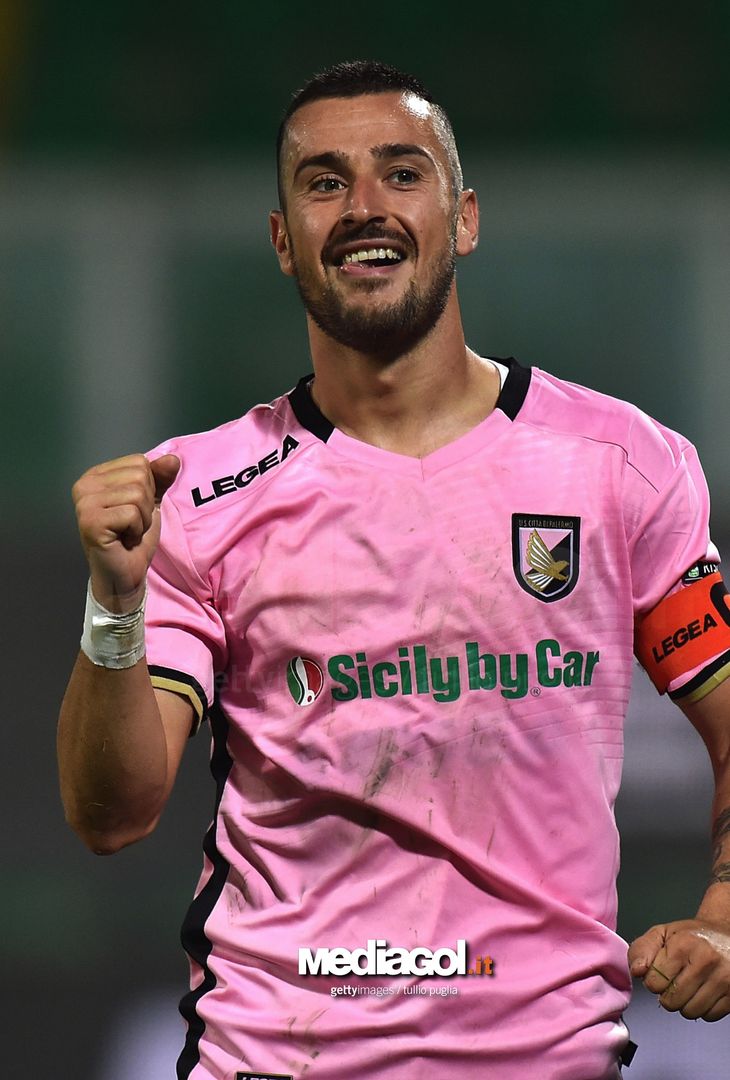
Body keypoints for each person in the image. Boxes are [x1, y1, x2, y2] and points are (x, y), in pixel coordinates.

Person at [58, 60, 730, 1080]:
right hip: (278, 1058)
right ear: (282, 240)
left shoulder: (620, 465)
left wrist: (723, 911)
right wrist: (115, 604)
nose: (363, 206)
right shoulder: (195, 493)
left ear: (464, 218)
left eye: (400, 173)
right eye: (324, 182)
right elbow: (112, 815)